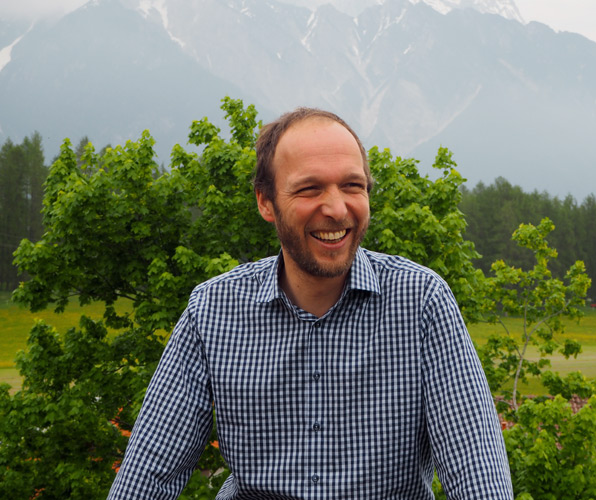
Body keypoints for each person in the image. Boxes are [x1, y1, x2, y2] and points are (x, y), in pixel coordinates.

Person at [107, 108, 513, 499]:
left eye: (353, 186)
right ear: (266, 202)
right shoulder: (213, 310)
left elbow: (476, 471)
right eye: (309, 188)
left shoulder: (421, 301)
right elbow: (151, 472)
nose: (337, 209)